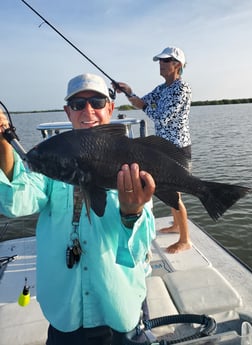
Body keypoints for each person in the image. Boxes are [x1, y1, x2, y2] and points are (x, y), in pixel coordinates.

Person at [0, 73, 156, 345]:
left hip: (119, 309)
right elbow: (16, 200)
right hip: (66, 315)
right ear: (67, 111)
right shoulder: (54, 160)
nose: (88, 111)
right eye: (78, 105)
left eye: (97, 102)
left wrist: (132, 214)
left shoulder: (131, 163)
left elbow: (141, 247)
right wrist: (2, 141)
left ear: (110, 108)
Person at [115, 46, 192, 254]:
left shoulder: (181, 88)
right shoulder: (162, 88)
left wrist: (147, 107)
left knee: (173, 191)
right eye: (160, 60)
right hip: (162, 148)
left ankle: (185, 239)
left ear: (177, 65)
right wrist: (128, 92)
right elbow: (142, 103)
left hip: (177, 148)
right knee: (166, 188)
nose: (161, 63)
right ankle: (176, 226)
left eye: (166, 60)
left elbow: (161, 117)